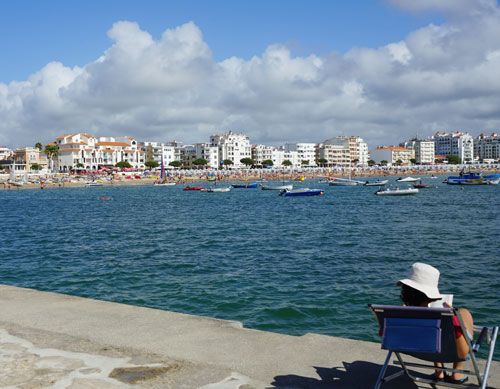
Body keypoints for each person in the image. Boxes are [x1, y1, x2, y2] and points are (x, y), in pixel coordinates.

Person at [397, 263, 474, 384]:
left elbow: (386, 334)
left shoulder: (397, 314)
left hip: (417, 350)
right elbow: (463, 352)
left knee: (430, 331)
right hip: (451, 352)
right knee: (464, 313)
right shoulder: (450, 317)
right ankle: (457, 372)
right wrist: (454, 317)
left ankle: (439, 371)